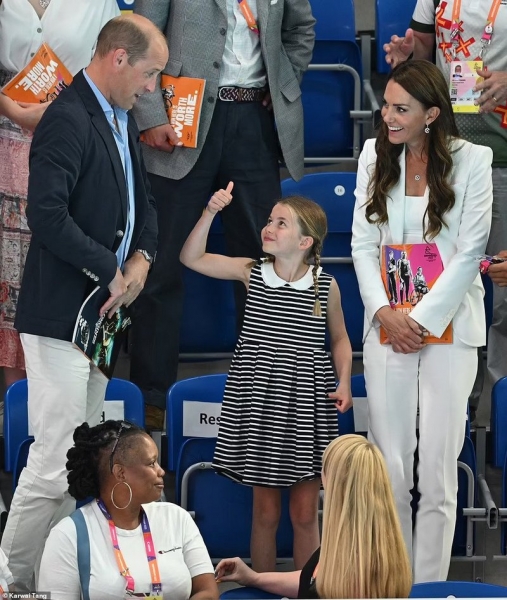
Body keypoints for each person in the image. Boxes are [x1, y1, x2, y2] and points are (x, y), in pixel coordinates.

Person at [1, 15, 163, 590]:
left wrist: (142, 258)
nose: (153, 87)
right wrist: (111, 267)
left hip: (101, 316)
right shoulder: (67, 117)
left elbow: (144, 205)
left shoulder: (120, 116)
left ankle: (55, 578)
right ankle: (10, 581)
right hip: (59, 316)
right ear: (118, 58)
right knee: (53, 464)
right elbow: (47, 216)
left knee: (79, 464)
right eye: (149, 73)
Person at [129, 0, 316, 431]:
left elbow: (301, 30)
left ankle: (263, 394)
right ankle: (152, 398)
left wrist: (284, 78)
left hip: (254, 118)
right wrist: (150, 113)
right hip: (181, 117)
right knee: (160, 262)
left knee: (265, 266)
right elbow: (141, 34)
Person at [351, 60, 493, 583]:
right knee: (390, 467)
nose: (388, 117)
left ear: (432, 114)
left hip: (450, 328)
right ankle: (395, 584)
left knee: (437, 471)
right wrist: (386, 315)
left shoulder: (474, 159)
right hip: (387, 326)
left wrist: (423, 321)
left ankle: (428, 587)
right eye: (386, 106)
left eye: (401, 109)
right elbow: (362, 245)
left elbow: (470, 251)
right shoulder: (373, 154)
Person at [181, 188, 352, 572]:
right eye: (270, 220)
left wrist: (344, 381)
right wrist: (209, 212)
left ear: (305, 242)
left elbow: (340, 340)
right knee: (265, 511)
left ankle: (305, 592)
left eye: (281, 223)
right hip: (262, 405)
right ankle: (262, 586)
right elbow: (191, 257)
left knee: (305, 513)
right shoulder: (252, 271)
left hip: (307, 405)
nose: (269, 227)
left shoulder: (325, 285)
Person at [383, 0, 507, 421]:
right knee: (434, 274)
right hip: (443, 155)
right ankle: (443, 403)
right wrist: (408, 57)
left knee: (503, 293)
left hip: (502, 159)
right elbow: (424, 49)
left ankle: (496, 414)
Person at [0, 0, 120, 390]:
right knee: (8, 273)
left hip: (74, 130)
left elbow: (116, 69)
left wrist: (61, 109)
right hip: (5, 135)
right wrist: (11, 109)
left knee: (62, 252)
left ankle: (63, 393)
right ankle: (15, 401)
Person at [214, 435, 412, 599]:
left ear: (335, 484)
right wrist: (254, 578)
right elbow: (311, 580)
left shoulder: (353, 575)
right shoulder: (376, 550)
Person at [38, 420, 218, 600]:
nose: (161, 471)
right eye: (151, 463)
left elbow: (208, 592)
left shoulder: (177, 518)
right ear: (120, 473)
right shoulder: (68, 535)